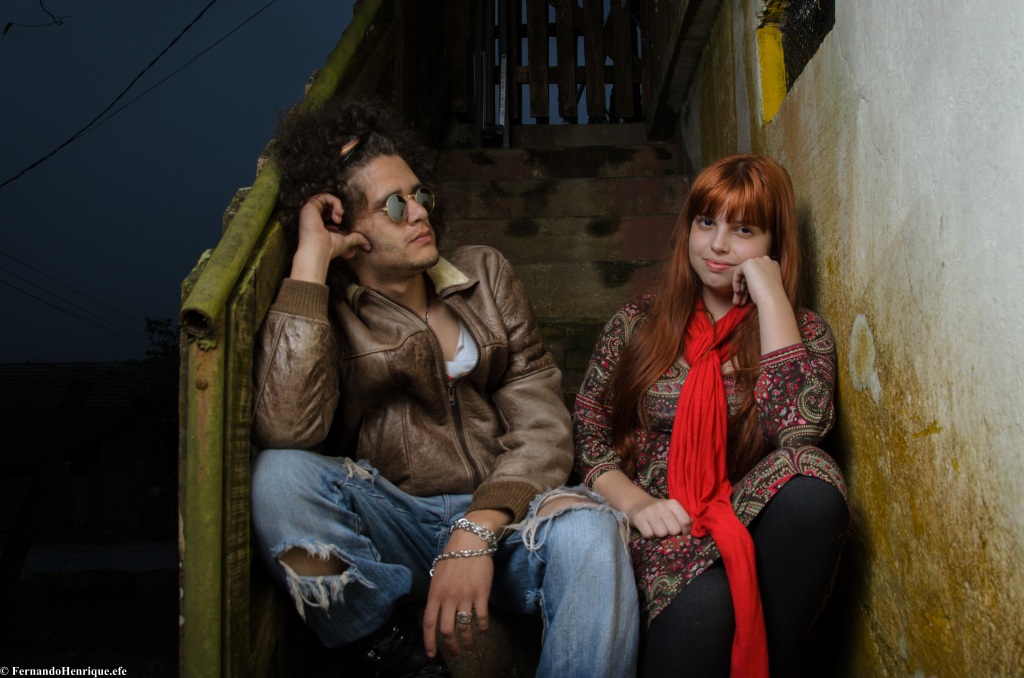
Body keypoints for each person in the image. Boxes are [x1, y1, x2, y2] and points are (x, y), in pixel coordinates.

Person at [248, 97, 639, 678]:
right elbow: (286, 428)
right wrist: (310, 262)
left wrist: (478, 527)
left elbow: (541, 418)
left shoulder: (482, 274)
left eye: (420, 194)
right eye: (394, 204)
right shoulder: (329, 312)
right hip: (395, 521)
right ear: (346, 228)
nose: (419, 212)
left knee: (592, 530)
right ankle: (389, 652)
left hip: (506, 519)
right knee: (279, 477)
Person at [572, 154, 849, 678]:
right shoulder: (636, 323)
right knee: (707, 604)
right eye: (706, 222)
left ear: (773, 244)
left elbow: (799, 431)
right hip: (658, 522)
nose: (718, 244)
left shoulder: (802, 331)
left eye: (743, 230)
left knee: (813, 479)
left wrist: (770, 296)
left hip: (744, 520)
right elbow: (588, 432)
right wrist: (637, 504)